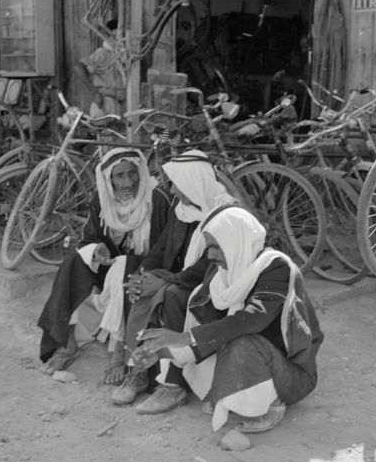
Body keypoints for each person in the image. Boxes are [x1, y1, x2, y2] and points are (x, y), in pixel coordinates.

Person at [132, 206, 324, 432]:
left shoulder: (276, 267)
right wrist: (161, 352)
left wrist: (183, 337)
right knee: (223, 335)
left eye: (215, 247)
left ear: (236, 239)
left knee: (242, 339)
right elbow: (212, 326)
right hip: (256, 359)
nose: (211, 256)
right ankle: (235, 393)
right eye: (209, 248)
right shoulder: (223, 273)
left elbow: (252, 320)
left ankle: (274, 403)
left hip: (293, 374)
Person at [111, 150, 237, 410]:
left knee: (170, 295)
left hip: (212, 287)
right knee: (141, 285)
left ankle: (172, 386)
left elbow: (211, 264)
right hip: (180, 279)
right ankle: (138, 371)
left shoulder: (225, 212)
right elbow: (160, 248)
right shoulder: (182, 209)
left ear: (194, 182)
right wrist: (143, 274)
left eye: (178, 185)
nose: (174, 192)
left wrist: (168, 281)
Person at [37, 147, 171, 381]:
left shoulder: (157, 199)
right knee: (74, 261)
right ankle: (67, 344)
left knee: (125, 264)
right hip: (112, 264)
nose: (128, 182)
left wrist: (135, 263)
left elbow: (166, 248)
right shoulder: (102, 198)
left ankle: (118, 352)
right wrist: (97, 249)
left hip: (146, 268)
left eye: (132, 173)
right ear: (108, 178)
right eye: (119, 176)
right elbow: (91, 237)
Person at [74, 19, 125, 118]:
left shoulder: (121, 56)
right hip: (105, 104)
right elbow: (78, 68)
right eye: (116, 36)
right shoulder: (102, 53)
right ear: (108, 36)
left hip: (117, 104)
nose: (119, 39)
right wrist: (94, 93)